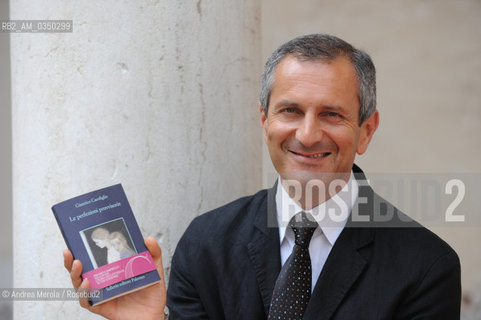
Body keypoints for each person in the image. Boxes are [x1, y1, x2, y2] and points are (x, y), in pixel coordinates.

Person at [64, 34, 461, 319]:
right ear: (264, 120)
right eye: (290, 110)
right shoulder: (206, 243)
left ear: (366, 130)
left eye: (331, 114)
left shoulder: (426, 267)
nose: (307, 135)